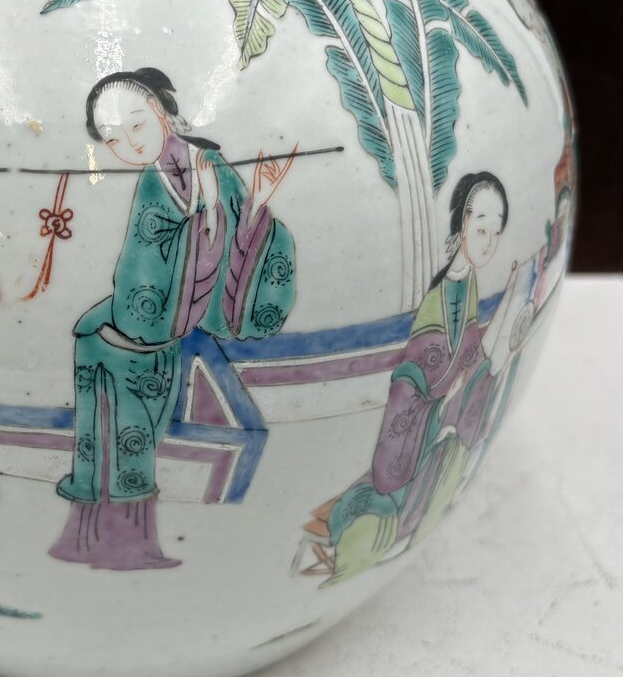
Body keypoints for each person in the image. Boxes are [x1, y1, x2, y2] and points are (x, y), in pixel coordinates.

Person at [49, 68, 297, 570]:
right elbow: (144, 260)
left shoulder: (209, 164)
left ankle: (124, 544)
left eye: (136, 125)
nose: (128, 144)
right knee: (112, 437)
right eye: (113, 139)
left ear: (162, 112)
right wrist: (205, 213)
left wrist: (252, 204)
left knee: (133, 438)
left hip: (150, 334)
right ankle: (91, 541)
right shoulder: (154, 180)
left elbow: (235, 237)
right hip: (124, 332)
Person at [301, 172, 517, 585]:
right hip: (416, 419)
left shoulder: (470, 283)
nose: (489, 243)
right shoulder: (439, 296)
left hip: (438, 418)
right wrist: (447, 391)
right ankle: (342, 554)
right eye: (481, 230)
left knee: (451, 457)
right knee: (381, 517)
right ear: (462, 225)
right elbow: (418, 370)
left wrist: (504, 315)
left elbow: (469, 350)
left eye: (496, 232)